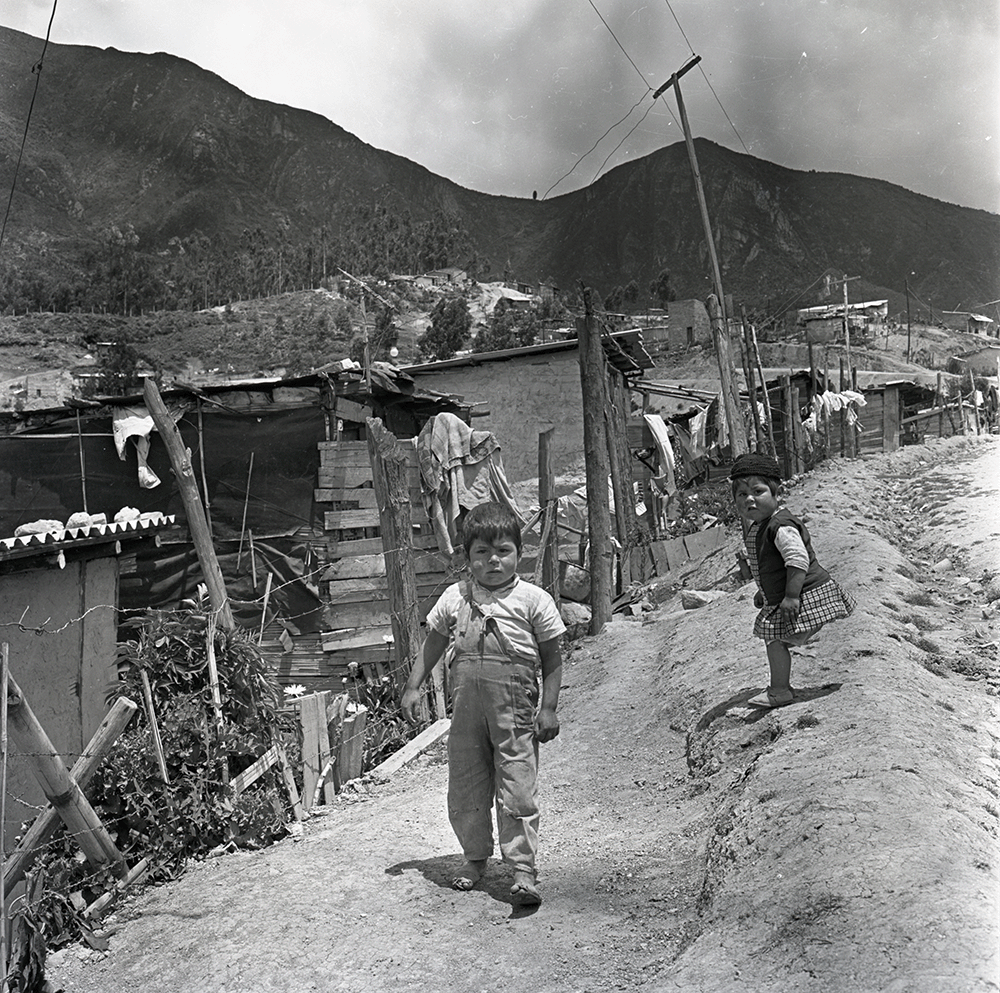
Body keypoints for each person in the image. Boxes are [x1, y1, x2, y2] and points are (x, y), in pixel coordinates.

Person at [401, 501, 566, 906]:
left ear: (519, 553)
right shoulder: (455, 598)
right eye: (482, 553)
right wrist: (412, 686)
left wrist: (548, 708)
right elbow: (435, 642)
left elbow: (552, 658)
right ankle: (474, 858)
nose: (493, 561)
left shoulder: (534, 600)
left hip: (514, 709)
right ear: (467, 557)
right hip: (467, 711)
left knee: (517, 785)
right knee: (467, 785)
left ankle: (523, 869)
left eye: (503, 551)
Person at [730, 453, 855, 708]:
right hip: (794, 593)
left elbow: (797, 562)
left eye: (758, 490)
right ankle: (780, 689)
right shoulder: (762, 525)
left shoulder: (781, 526)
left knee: (775, 639)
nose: (749, 499)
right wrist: (764, 592)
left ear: (778, 492)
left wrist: (790, 597)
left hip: (806, 594)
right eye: (742, 494)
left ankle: (779, 691)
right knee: (775, 639)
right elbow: (770, 566)